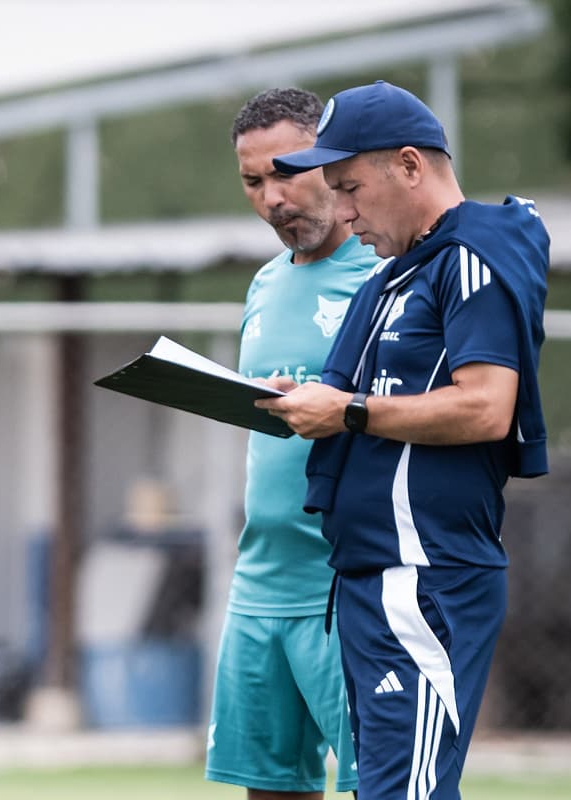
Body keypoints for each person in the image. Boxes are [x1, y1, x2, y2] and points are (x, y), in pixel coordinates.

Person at [260, 81, 550, 799]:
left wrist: (350, 412)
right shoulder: (393, 279)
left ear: (411, 166)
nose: (343, 211)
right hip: (371, 578)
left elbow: (486, 407)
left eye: (351, 187)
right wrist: (310, 403)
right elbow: (354, 400)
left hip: (424, 577)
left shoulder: (471, 256)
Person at [205, 88, 377, 800]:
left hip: (348, 584)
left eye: (287, 172)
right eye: (253, 182)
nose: (272, 198)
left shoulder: (387, 273)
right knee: (268, 788)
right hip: (259, 583)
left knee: (384, 784)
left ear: (332, 164)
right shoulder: (265, 283)